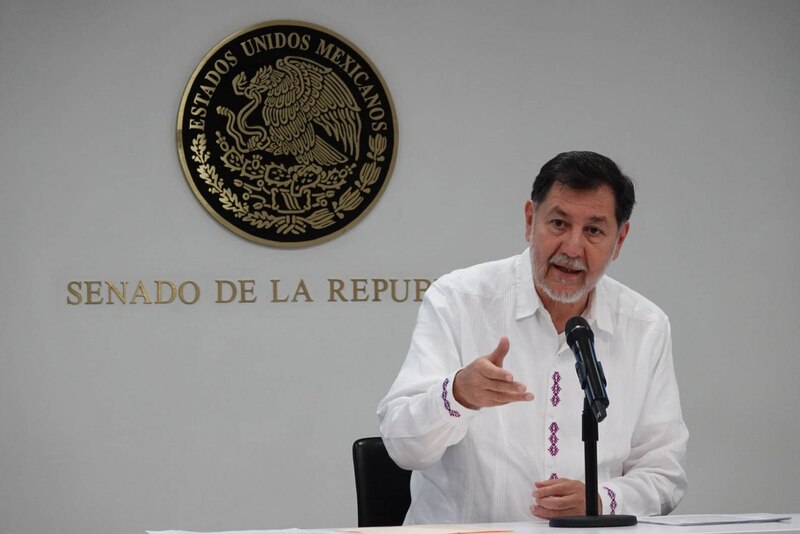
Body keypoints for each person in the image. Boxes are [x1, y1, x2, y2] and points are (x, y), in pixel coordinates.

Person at [377, 151, 688, 524]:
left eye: (593, 230)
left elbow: (664, 473)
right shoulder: (457, 300)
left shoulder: (646, 326)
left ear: (619, 240)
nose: (572, 248)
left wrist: (602, 499)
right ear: (530, 221)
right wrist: (457, 394)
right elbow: (402, 446)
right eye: (558, 223)